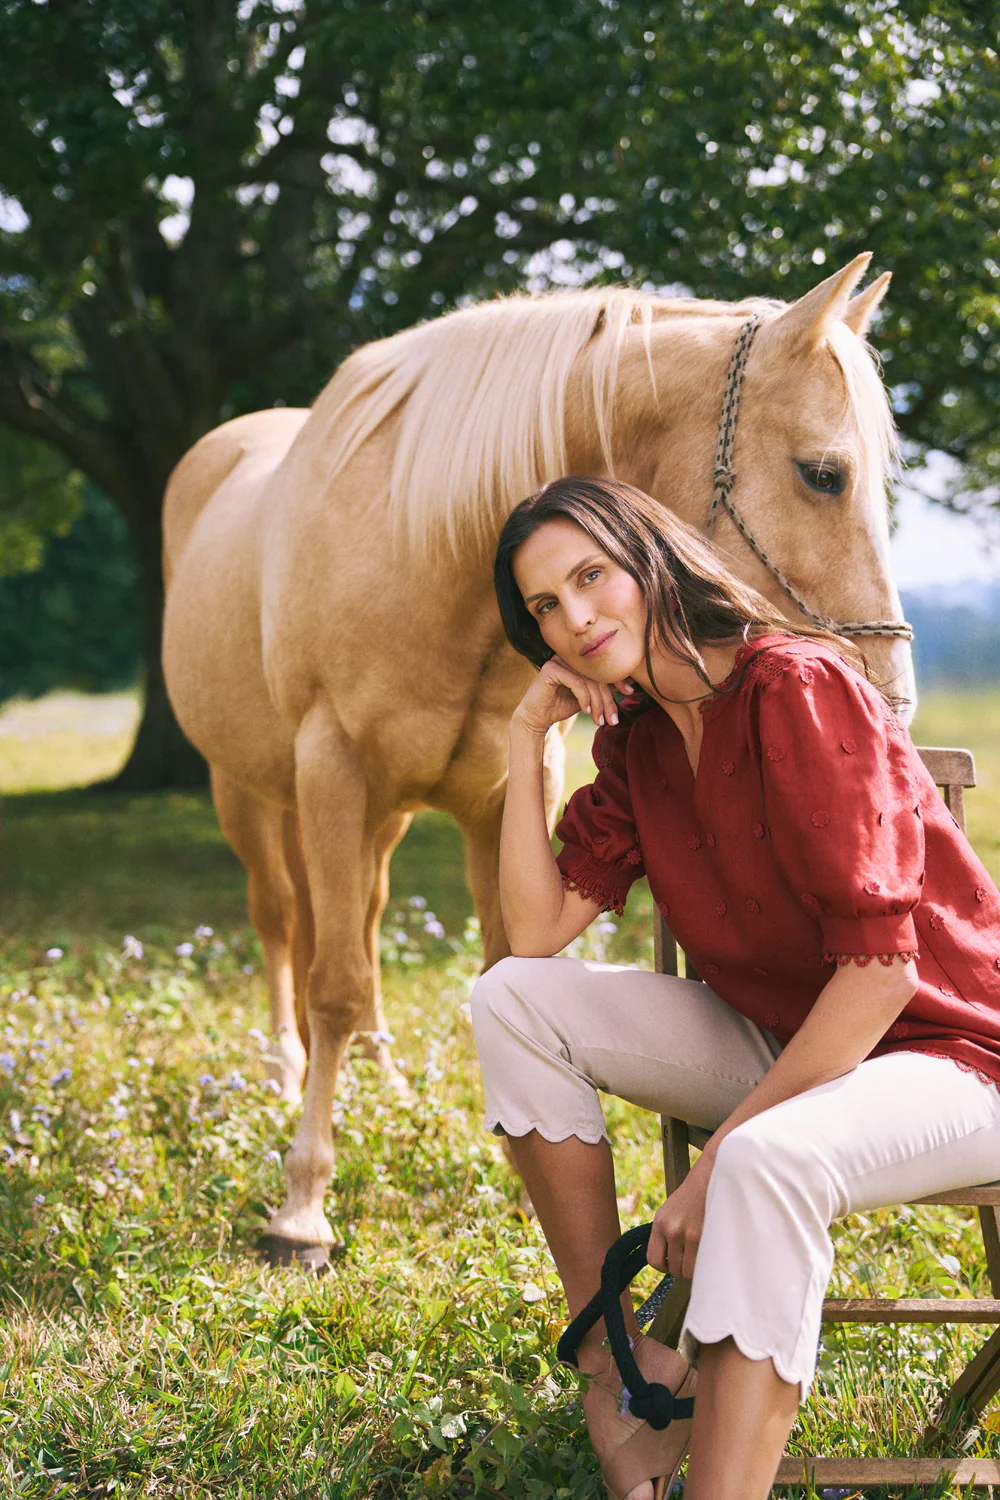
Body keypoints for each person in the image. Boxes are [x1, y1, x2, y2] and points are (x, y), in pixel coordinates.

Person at [469, 475, 1000, 1500]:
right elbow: (530, 937)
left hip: (956, 1058)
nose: (574, 620)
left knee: (758, 1160)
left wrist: (715, 1167)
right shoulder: (637, 741)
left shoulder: (796, 686)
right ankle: (612, 1357)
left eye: (590, 576)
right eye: (543, 605)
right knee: (510, 1000)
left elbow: (882, 972)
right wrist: (524, 737)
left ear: (650, 560)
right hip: (792, 1043)